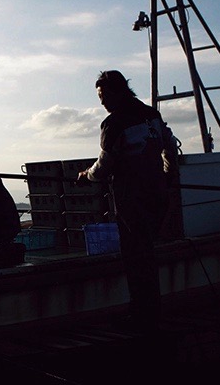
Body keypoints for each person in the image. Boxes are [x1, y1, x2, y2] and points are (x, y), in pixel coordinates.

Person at [77, 70, 178, 333]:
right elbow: (170, 145)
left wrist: (86, 175)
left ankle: (143, 315)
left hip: (131, 199)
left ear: (117, 92)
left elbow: (104, 167)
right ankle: (151, 311)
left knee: (136, 257)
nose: (102, 103)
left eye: (103, 96)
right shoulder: (151, 115)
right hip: (157, 195)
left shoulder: (113, 124)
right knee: (147, 255)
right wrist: (168, 173)